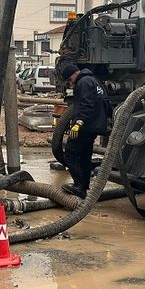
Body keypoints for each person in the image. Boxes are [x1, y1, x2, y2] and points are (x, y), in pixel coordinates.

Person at [60, 63, 113, 198]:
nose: (70, 83)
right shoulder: (94, 81)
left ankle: (79, 185)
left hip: (85, 126)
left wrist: (78, 123)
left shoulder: (83, 82)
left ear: (73, 74)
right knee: (85, 156)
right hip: (94, 125)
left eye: (69, 80)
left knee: (70, 154)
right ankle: (84, 186)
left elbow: (87, 104)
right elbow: (106, 102)